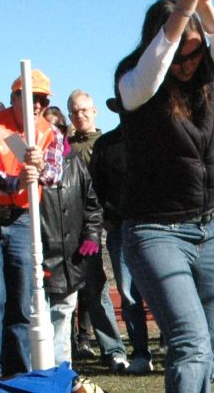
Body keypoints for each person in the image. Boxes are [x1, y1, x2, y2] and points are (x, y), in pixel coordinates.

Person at [115, 0, 214, 393]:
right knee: (191, 344)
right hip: (156, 231)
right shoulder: (135, 80)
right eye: (179, 56)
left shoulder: (208, 71)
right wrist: (181, 13)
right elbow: (147, 78)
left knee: (213, 346)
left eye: (194, 53)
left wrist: (203, 6)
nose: (188, 64)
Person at [0, 71, 65, 383]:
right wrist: (18, 180)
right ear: (14, 98)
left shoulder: (51, 133)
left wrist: (39, 167)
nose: (36, 104)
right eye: (29, 97)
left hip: (21, 220)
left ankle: (17, 370)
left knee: (22, 297)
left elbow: (55, 174)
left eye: (42, 99)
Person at [88, 99, 154, 374]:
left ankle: (175, 349)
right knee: (128, 294)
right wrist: (106, 218)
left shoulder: (156, 141)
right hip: (120, 230)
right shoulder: (105, 145)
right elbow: (94, 189)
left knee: (163, 293)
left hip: (156, 229)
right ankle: (140, 352)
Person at [66, 90, 128, 370]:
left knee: (117, 288)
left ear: (94, 112)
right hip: (69, 226)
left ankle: (115, 348)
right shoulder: (64, 145)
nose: (79, 115)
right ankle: (77, 346)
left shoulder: (104, 144)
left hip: (102, 224)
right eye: (74, 112)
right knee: (88, 287)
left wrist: (107, 217)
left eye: (83, 110)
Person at [40, 137, 105, 366]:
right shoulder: (27, 162)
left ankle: (61, 371)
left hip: (70, 256)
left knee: (63, 314)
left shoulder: (75, 163)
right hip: (40, 253)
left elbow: (92, 206)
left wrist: (91, 235)